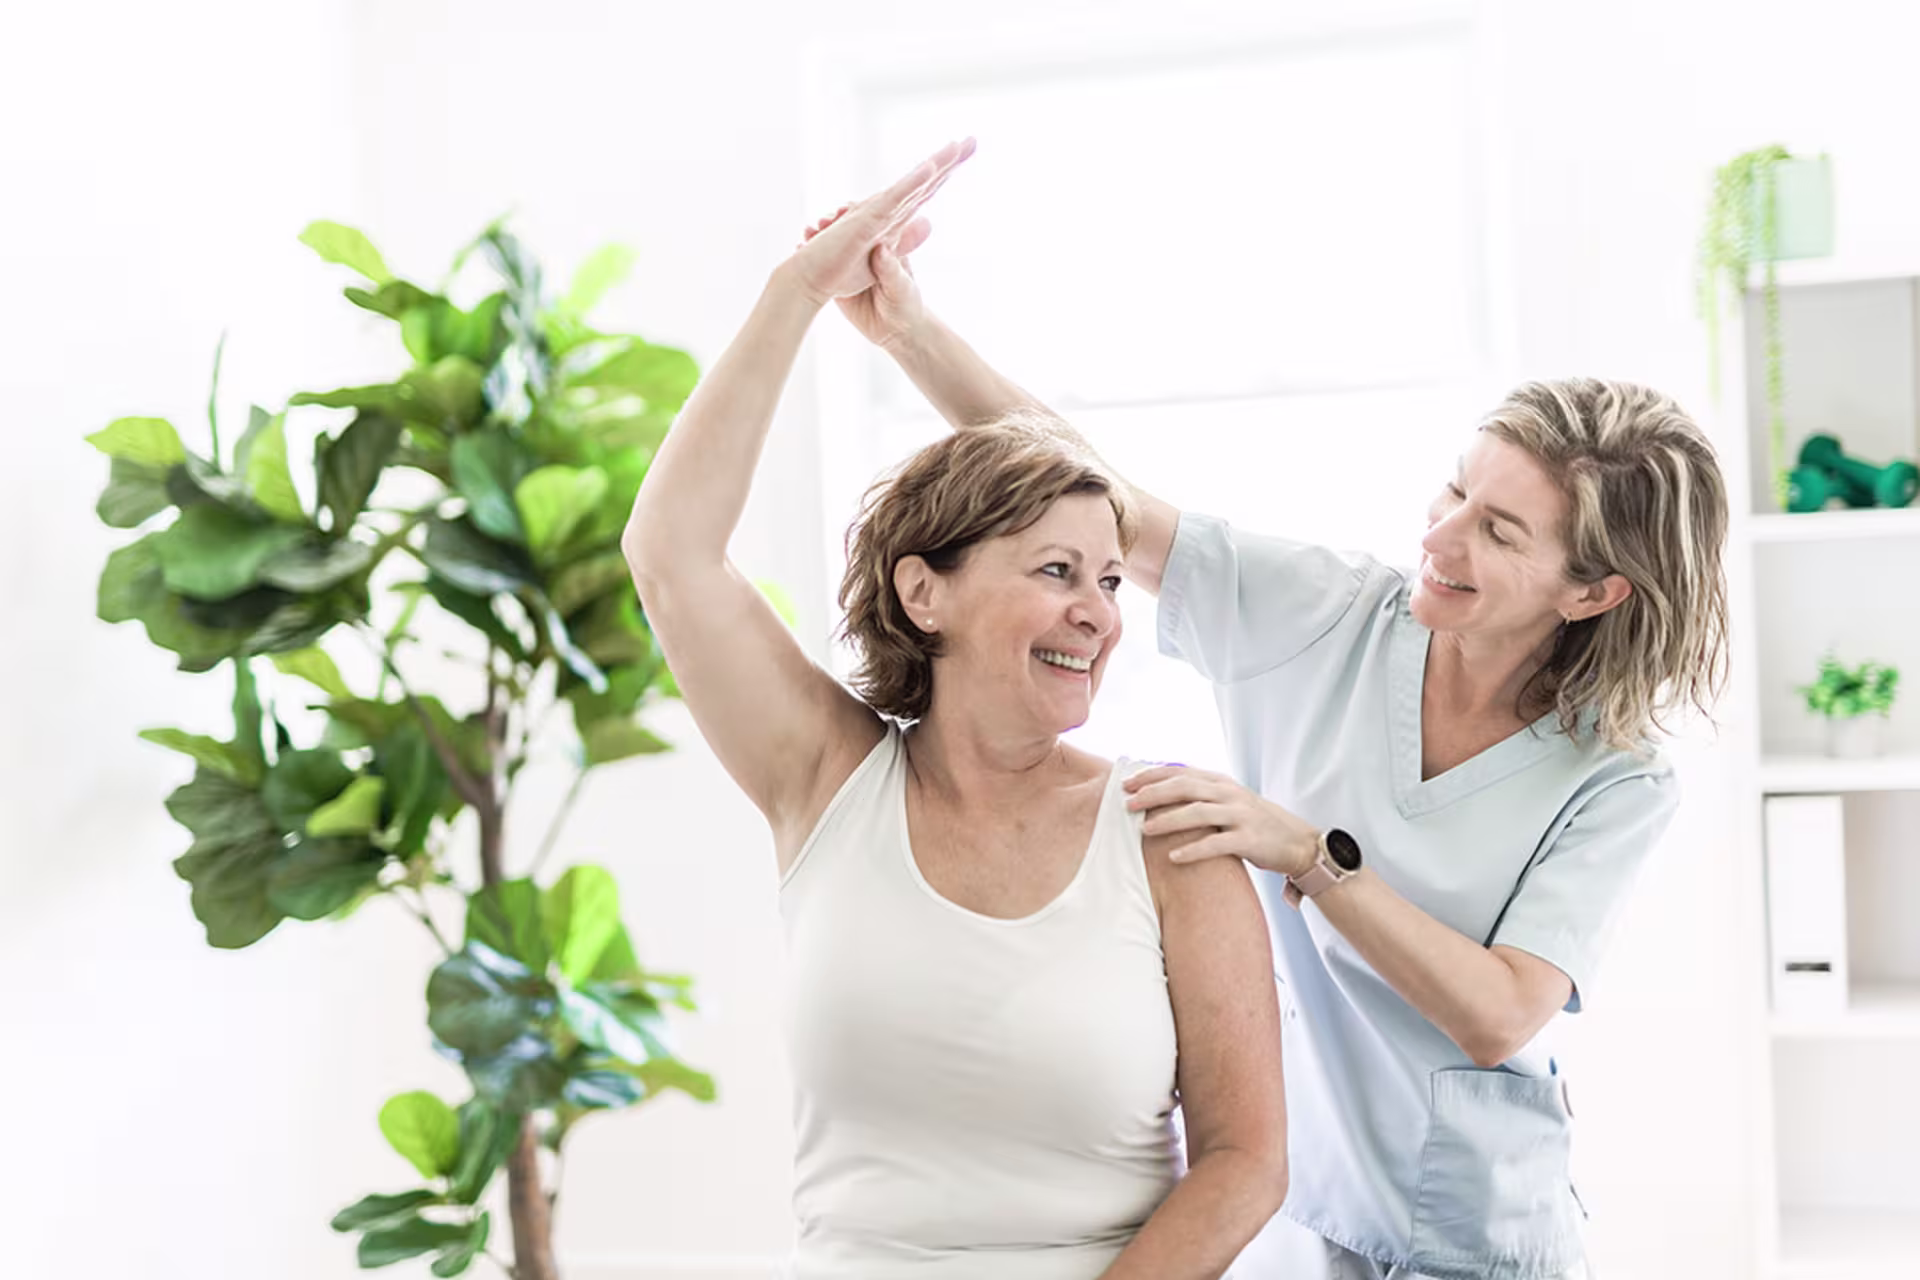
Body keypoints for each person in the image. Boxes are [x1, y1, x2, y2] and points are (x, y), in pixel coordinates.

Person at [813, 169, 1730, 1280]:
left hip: (1483, 1234)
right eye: (1453, 492)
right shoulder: (1330, 615)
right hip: (1312, 1218)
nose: (1440, 538)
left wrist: (1308, 853)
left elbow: (1500, 1014)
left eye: (1498, 531)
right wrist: (905, 325)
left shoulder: (1614, 779)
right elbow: (1089, 487)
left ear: (1591, 591)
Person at [623, 139, 1289, 1279]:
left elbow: (1245, 1159)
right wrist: (797, 291)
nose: (1098, 613)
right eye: (1054, 571)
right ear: (923, 589)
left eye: (1107, 578)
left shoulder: (1170, 834)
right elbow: (672, 551)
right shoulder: (827, 777)